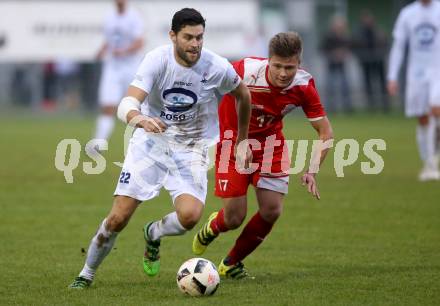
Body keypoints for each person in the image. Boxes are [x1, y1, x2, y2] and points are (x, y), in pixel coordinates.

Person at [69, 8, 252, 289]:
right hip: (150, 144)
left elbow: (243, 94)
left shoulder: (217, 67)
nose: (195, 44)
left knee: (190, 217)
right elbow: (127, 103)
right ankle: (86, 273)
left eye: (200, 37)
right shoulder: (156, 60)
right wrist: (140, 118)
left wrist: (241, 141)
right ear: (173, 36)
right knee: (118, 217)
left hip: (191, 149)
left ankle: (153, 233)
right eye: (188, 37)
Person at [192, 32, 334, 278]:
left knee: (272, 210)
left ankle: (231, 263)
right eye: (277, 66)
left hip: (270, 144)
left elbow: (326, 133)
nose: (282, 73)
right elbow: (207, 82)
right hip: (233, 141)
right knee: (234, 217)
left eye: (289, 67)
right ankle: (214, 226)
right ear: (268, 60)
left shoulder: (303, 86)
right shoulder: (245, 70)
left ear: (299, 64)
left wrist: (311, 170)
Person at [387, 0, 440, 181]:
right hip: (416, 72)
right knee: (423, 117)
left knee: (435, 109)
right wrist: (392, 76)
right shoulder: (408, 14)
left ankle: (433, 162)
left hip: (438, 69)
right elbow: (399, 47)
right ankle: (428, 162)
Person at [89, 0, 145, 151]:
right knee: (108, 105)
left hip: (131, 67)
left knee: (138, 106)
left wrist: (124, 51)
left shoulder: (134, 16)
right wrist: (102, 50)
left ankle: (145, 144)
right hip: (113, 67)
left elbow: (140, 42)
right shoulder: (109, 17)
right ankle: (99, 143)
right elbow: (109, 41)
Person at [353, 10, 389, 112]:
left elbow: (385, 43)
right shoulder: (359, 33)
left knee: (382, 83)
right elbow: (355, 46)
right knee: (368, 84)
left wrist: (381, 54)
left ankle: (385, 105)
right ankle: (371, 106)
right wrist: (362, 57)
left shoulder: (378, 31)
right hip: (366, 62)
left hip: (378, 61)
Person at [320, 15, 352, 113]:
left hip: (342, 66)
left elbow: (350, 47)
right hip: (331, 66)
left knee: (345, 87)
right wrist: (333, 54)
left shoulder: (345, 37)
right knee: (331, 88)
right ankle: (331, 108)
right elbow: (322, 49)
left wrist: (343, 53)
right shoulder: (328, 36)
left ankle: (347, 108)